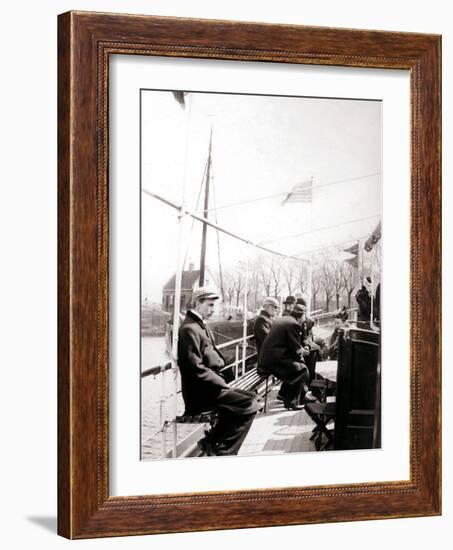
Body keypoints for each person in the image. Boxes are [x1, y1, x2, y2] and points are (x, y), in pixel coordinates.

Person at [178, 288, 262, 456]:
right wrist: (222, 383)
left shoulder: (199, 325)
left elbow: (211, 358)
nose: (213, 309)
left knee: (254, 398)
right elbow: (194, 368)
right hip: (201, 393)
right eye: (209, 305)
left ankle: (211, 440)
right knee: (250, 404)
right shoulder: (189, 328)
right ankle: (226, 451)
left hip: (210, 387)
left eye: (213, 306)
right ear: (197, 303)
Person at [258, 303, 316, 410]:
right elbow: (296, 351)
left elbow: (292, 347)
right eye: (304, 317)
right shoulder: (293, 324)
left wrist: (300, 353)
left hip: (268, 358)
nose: (304, 320)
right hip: (273, 361)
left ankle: (285, 394)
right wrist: (302, 355)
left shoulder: (285, 319)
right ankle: (291, 402)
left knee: (296, 366)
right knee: (302, 370)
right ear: (301, 316)